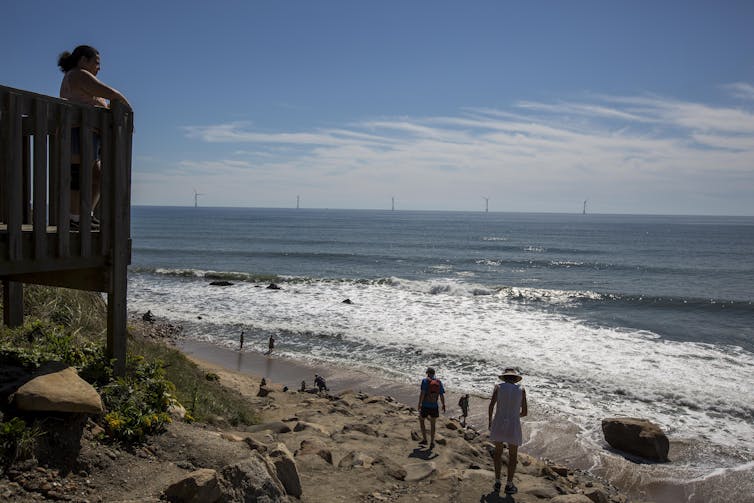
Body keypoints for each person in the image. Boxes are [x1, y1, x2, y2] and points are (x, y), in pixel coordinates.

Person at [57, 45, 131, 230]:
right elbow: (111, 93)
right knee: (78, 175)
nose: (99, 68)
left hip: (88, 134)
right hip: (78, 132)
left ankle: (84, 214)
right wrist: (129, 111)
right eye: (96, 63)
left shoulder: (75, 76)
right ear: (83, 60)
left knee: (97, 176)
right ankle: (74, 218)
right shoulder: (79, 74)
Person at [488, 368, 528, 495]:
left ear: (504, 378)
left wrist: (490, 421)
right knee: (513, 456)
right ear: (515, 379)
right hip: (513, 425)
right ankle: (509, 484)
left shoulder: (498, 387)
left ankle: (497, 481)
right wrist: (514, 416)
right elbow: (525, 412)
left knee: (498, 453)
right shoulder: (521, 390)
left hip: (499, 423)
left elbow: (491, 406)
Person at [417, 367, 445, 449]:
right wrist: (443, 405)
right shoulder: (438, 382)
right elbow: (441, 395)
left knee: (422, 420)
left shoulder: (425, 381)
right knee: (433, 424)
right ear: (434, 373)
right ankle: (432, 442)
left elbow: (422, 393)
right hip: (434, 406)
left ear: (427, 373)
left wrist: (419, 404)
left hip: (425, 405)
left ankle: (425, 439)